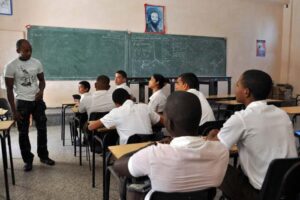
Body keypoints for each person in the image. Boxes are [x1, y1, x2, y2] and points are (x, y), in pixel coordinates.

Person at [113, 91, 229, 200]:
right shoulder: (221, 151)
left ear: (168, 123)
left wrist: (149, 146)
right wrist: (208, 140)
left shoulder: (153, 154)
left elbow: (118, 166)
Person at [207, 69, 298, 200]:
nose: (235, 87)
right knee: (241, 166)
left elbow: (214, 150)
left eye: (237, 84)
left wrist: (210, 137)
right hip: (289, 189)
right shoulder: (282, 114)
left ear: (246, 91)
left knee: (218, 165)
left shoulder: (242, 118)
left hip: (261, 194)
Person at [4, 39, 55, 172]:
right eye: (25, 50)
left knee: (42, 129)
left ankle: (44, 156)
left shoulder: (37, 62)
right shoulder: (11, 66)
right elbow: (9, 90)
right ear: (18, 51)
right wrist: (13, 111)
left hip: (37, 101)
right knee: (23, 132)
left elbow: (42, 81)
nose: (29, 53)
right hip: (22, 102)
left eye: (30, 50)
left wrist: (41, 91)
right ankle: (28, 160)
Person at [88, 88, 163, 144]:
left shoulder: (116, 112)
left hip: (129, 152)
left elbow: (92, 127)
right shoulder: (145, 107)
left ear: (116, 104)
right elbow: (163, 121)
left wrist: (89, 124)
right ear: (130, 97)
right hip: (149, 148)